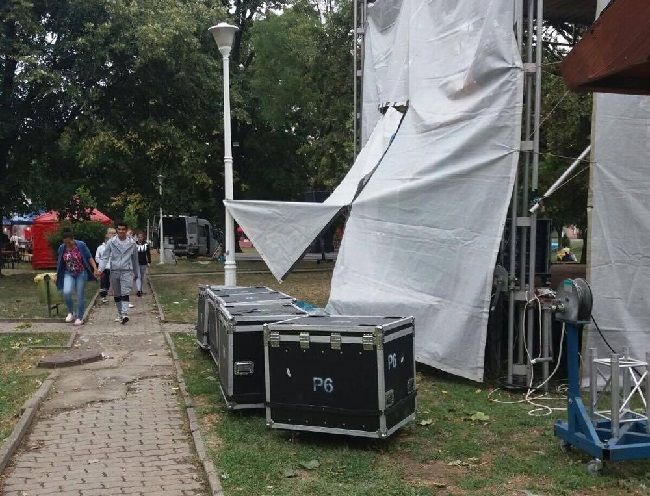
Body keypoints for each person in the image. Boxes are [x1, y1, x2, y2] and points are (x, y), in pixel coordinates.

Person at [95, 222, 139, 325]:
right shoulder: (111, 242)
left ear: (126, 230)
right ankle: (120, 314)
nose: (121, 231)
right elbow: (105, 257)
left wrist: (136, 273)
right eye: (119, 229)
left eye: (123, 229)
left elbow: (135, 259)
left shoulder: (132, 243)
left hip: (127, 271)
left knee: (125, 292)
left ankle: (125, 314)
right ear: (117, 230)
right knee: (117, 294)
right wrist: (100, 269)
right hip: (114, 270)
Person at [56, 228, 98, 325]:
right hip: (68, 273)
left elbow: (89, 257)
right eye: (66, 243)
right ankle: (71, 312)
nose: (68, 244)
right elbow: (60, 262)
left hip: (81, 273)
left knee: (80, 295)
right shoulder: (62, 248)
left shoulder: (81, 245)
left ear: (73, 239)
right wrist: (57, 274)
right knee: (66, 292)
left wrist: (95, 268)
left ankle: (80, 317)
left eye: (69, 242)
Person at [95, 228, 116, 303]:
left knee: (115, 282)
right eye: (111, 233)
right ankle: (103, 296)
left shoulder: (117, 246)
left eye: (114, 233)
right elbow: (97, 258)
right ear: (106, 235)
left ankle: (117, 297)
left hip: (114, 267)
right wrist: (102, 264)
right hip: (104, 268)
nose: (112, 235)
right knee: (104, 282)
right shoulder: (100, 248)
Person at [135, 232, 151, 297]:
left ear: (143, 237)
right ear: (137, 237)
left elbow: (148, 253)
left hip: (143, 263)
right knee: (138, 276)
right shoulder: (134, 244)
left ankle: (141, 289)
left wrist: (149, 262)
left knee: (141, 277)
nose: (140, 238)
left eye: (141, 237)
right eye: (139, 237)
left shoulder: (146, 244)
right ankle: (138, 290)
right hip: (136, 263)